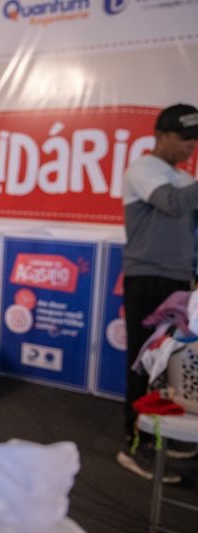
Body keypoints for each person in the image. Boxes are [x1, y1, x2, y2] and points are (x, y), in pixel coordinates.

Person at [118, 103, 198, 481]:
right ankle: (134, 445)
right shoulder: (143, 169)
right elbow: (171, 204)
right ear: (161, 135)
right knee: (142, 362)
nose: (190, 146)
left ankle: (159, 436)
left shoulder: (182, 178)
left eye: (195, 140)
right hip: (147, 278)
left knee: (169, 365)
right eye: (184, 139)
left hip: (180, 279)